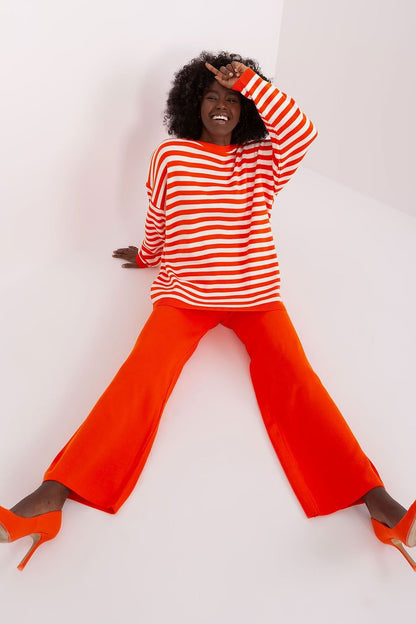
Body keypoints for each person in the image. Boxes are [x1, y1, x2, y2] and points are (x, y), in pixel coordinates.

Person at [1, 51, 415, 572]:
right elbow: (159, 218)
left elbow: (303, 131)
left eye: (232, 99)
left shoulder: (264, 159)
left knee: (298, 382)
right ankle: (52, 495)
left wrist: (246, 80)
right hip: (184, 296)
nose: (222, 106)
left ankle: (378, 503)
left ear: (247, 108)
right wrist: (148, 256)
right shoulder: (171, 156)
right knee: (137, 380)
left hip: (255, 297)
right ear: (193, 105)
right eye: (212, 97)